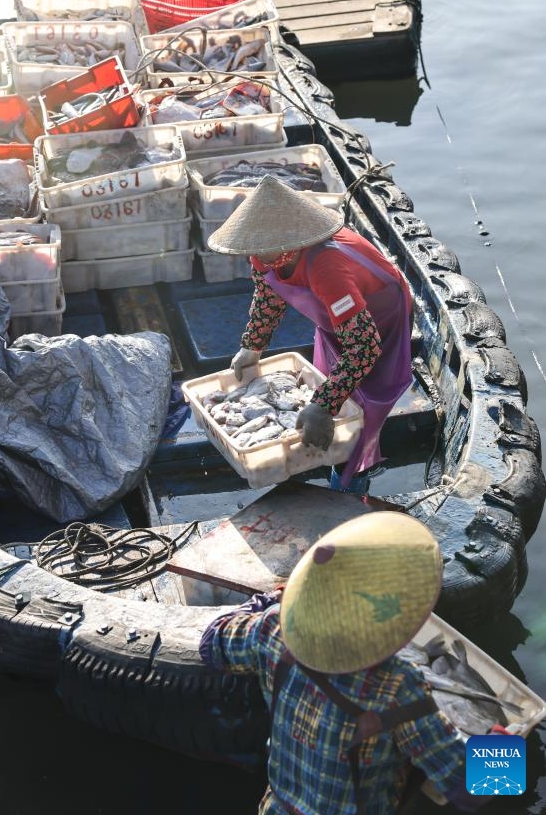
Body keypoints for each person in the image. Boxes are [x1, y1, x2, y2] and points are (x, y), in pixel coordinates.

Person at [199, 511, 503, 815]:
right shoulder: (396, 683)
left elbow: (212, 643)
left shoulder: (272, 629)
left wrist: (273, 600)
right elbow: (470, 789)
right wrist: (504, 749)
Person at [207, 175, 413, 493]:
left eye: (264, 249)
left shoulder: (327, 267)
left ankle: (351, 482)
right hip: (339, 321)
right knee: (332, 379)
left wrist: (324, 406)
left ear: (289, 240)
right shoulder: (266, 255)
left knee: (362, 409)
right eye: (254, 248)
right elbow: (268, 295)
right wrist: (252, 346)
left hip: (381, 317)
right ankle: (335, 445)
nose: (257, 255)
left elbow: (364, 346)